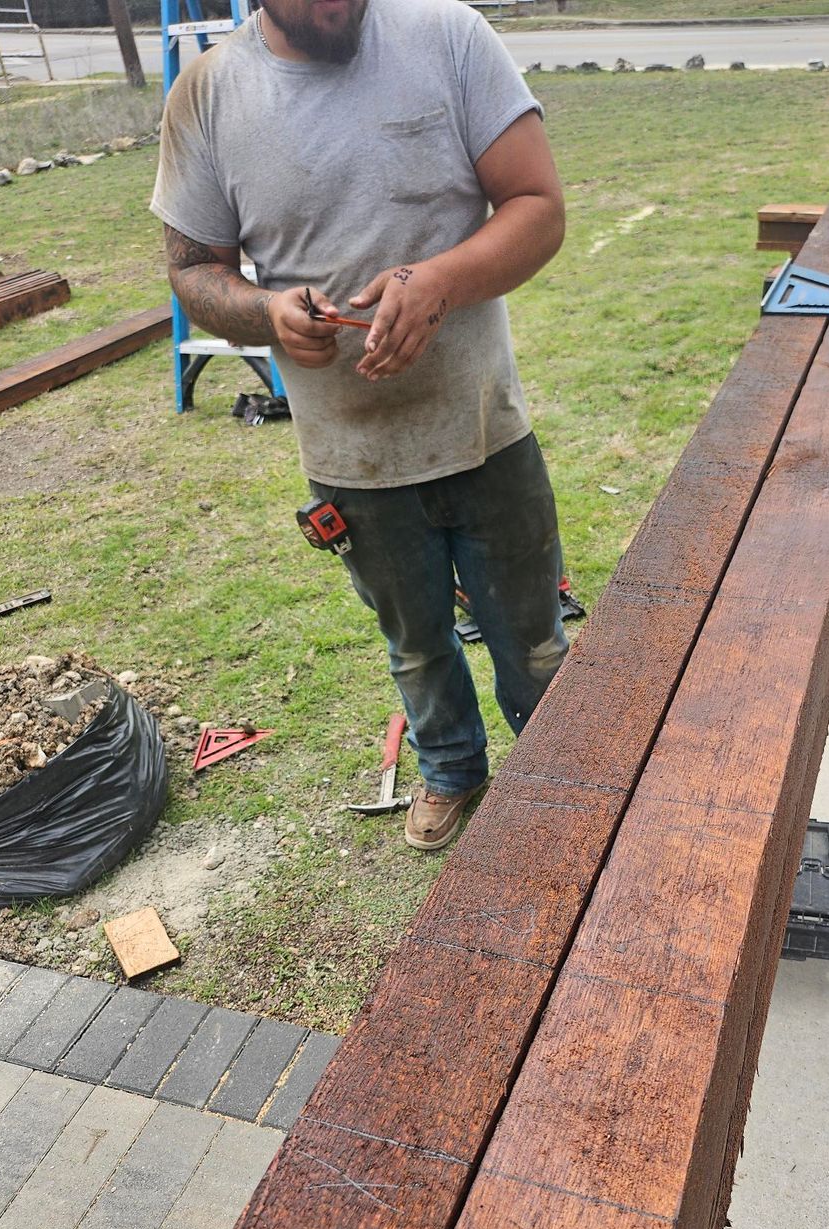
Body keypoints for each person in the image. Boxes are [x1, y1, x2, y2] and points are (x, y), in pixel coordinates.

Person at [152, 0, 569, 850]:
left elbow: (537, 205)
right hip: (351, 458)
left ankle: (563, 775)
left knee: (530, 638)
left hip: (485, 425)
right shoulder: (208, 94)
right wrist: (265, 311)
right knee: (415, 646)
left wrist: (441, 280)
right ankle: (451, 770)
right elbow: (193, 271)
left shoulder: (447, 36)